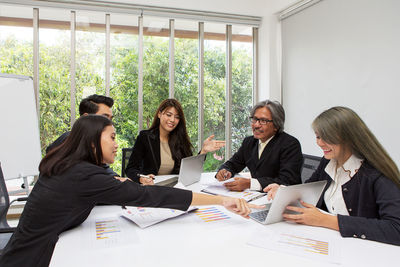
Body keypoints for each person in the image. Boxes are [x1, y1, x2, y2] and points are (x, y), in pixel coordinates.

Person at [0, 115, 262, 267]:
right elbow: (152, 196)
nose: (117, 145)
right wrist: (220, 200)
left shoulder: (72, 164)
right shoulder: (83, 174)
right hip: (32, 259)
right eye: (112, 137)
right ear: (92, 141)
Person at [264, 106, 400, 246]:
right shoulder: (328, 161)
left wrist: (326, 220)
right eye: (317, 136)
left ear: (349, 137)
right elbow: (309, 191)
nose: (319, 143)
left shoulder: (377, 174)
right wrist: (284, 192)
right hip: (329, 243)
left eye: (326, 137)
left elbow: (396, 228)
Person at [125, 98, 225, 185]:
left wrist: (203, 151)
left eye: (177, 117)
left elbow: (189, 170)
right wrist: (141, 178)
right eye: (169, 115)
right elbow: (130, 169)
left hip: (174, 188)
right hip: (151, 188)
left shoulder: (180, 140)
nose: (172, 120)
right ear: (159, 114)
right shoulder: (145, 137)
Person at [215, 100, 303, 191]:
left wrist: (250, 184)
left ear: (276, 125)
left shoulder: (290, 144)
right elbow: (233, 164)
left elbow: (287, 181)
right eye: (255, 119)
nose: (256, 125)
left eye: (263, 121)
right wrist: (224, 171)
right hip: (255, 197)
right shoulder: (249, 142)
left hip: (278, 199)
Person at [46, 94, 114, 153]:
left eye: (111, 119)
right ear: (86, 117)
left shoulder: (92, 141)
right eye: (105, 117)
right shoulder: (72, 143)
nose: (110, 123)